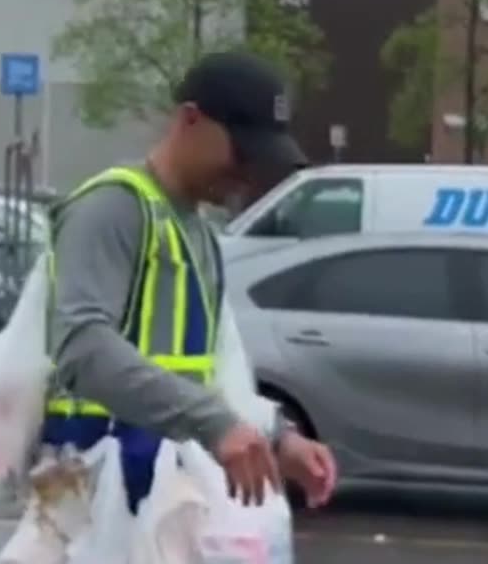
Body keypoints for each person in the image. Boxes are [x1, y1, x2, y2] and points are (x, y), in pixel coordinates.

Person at [42, 51, 337, 511]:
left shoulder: (196, 231)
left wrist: (279, 437)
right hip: (95, 502)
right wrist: (215, 423)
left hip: (162, 502)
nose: (247, 171)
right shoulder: (114, 207)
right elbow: (81, 346)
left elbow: (213, 372)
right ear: (190, 120)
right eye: (240, 151)